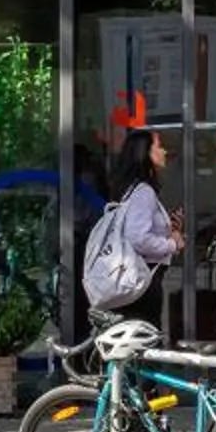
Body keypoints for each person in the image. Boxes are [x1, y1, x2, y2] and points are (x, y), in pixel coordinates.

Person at [84, 126, 184, 330]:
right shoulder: (143, 192)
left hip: (137, 282)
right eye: (158, 146)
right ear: (144, 153)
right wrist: (172, 244)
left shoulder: (132, 191)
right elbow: (138, 238)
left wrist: (170, 230)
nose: (164, 151)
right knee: (144, 341)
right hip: (141, 284)